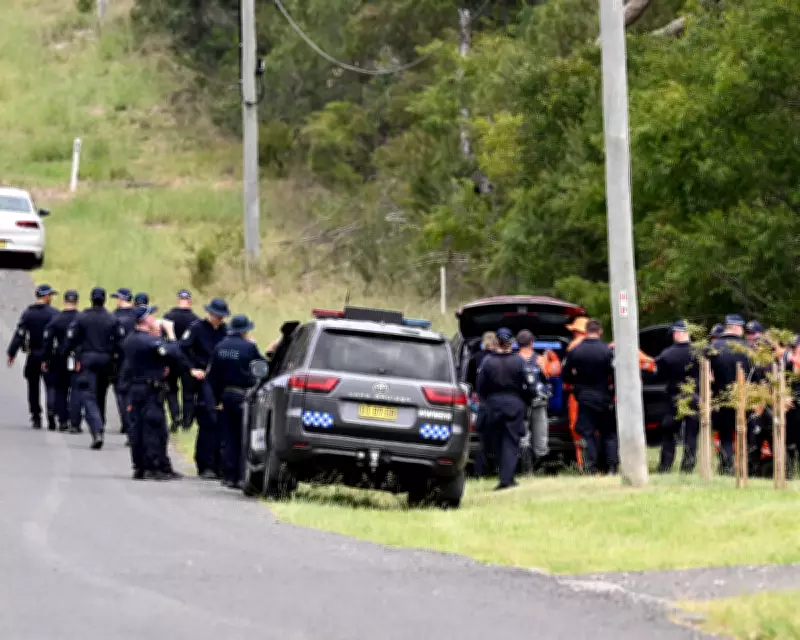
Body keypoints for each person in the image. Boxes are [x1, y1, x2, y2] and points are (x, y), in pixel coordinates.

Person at [123, 304, 199, 480]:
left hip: (137, 387)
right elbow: (174, 352)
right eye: (152, 316)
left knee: (138, 428)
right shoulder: (147, 341)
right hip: (149, 390)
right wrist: (170, 334)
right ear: (145, 319)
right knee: (154, 428)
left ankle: (142, 466)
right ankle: (154, 466)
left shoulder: (131, 339)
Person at [64, 287, 125, 449]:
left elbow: (71, 338)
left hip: (87, 359)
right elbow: (120, 342)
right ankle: (101, 421)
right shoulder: (112, 318)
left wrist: (67, 354)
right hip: (106, 359)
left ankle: (97, 429)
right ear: (104, 300)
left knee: (88, 395)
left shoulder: (82, 317)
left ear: (91, 299)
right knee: (101, 393)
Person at [208, 314, 262, 489]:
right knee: (243, 437)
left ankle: (228, 476)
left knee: (228, 436)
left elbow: (212, 376)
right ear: (245, 330)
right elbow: (262, 368)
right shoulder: (249, 348)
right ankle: (240, 476)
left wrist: (217, 398)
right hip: (243, 396)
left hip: (226, 395)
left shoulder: (219, 346)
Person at [180, 297, 230, 479]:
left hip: (222, 380)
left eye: (222, 317)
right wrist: (192, 368)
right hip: (205, 378)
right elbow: (182, 348)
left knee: (222, 422)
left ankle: (220, 464)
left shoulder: (226, 331)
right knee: (208, 419)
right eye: (217, 316)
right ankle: (205, 463)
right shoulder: (196, 328)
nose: (220, 320)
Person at [476, 327, 529, 490]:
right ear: (511, 343)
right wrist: (525, 401)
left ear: (497, 342)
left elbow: (480, 387)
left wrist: (487, 400)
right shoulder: (519, 361)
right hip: (514, 404)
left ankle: (503, 476)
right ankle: (507, 478)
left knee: (497, 441)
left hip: (493, 405)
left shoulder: (487, 361)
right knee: (511, 441)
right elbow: (528, 385)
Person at [562, 319, 616, 475]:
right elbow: (614, 374)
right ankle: (611, 467)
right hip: (604, 397)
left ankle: (592, 467)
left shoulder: (575, 351)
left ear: (586, 331)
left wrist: (576, 384)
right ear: (600, 332)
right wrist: (613, 392)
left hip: (584, 398)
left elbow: (565, 375)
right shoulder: (607, 351)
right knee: (608, 434)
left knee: (588, 433)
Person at [7, 284, 59, 430]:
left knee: (33, 387)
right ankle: (51, 412)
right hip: (49, 355)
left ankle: (36, 416)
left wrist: (12, 353)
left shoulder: (28, 313)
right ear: (47, 296)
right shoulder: (54, 313)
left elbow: (20, 334)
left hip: (33, 354)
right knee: (51, 386)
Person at [708, 314, 753, 474]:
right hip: (745, 398)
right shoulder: (748, 348)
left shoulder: (713, 347)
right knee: (744, 434)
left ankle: (726, 467)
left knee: (725, 436)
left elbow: (706, 374)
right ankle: (746, 467)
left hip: (721, 398)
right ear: (736, 327)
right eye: (741, 328)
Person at [654, 320, 700, 473]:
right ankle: (688, 466)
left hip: (674, 397)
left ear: (675, 333)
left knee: (669, 433)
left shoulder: (666, 355)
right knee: (691, 434)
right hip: (695, 397)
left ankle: (665, 465)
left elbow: (658, 376)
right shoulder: (699, 353)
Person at [43, 289, 81, 433]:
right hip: (77, 358)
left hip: (59, 358)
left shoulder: (56, 319)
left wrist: (47, 359)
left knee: (60, 390)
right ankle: (75, 420)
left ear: (64, 301)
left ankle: (62, 420)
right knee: (76, 390)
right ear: (76, 302)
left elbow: (48, 341)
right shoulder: (81, 318)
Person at [164, 290, 200, 432]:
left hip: (171, 358)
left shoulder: (168, 317)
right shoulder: (196, 320)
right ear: (190, 301)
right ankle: (187, 422)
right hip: (189, 361)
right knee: (188, 393)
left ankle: (175, 416)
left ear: (178, 300)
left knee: (171, 390)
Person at [516, 330, 551, 465]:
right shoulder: (541, 360)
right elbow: (549, 381)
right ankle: (539, 466)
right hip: (539, 403)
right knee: (541, 436)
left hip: (520, 404)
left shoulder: (514, 360)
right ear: (532, 343)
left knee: (522, 436)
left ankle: (525, 467)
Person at [470, 332, 498, 478]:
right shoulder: (498, 360)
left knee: (482, 440)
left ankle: (479, 472)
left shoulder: (475, 358)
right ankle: (495, 469)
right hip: (496, 404)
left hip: (481, 403)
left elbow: (470, 383)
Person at [111, 288, 137, 437]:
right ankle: (132, 419)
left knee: (121, 390)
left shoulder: (114, 316)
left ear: (121, 299)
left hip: (119, 359)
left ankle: (126, 421)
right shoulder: (136, 317)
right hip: (136, 358)